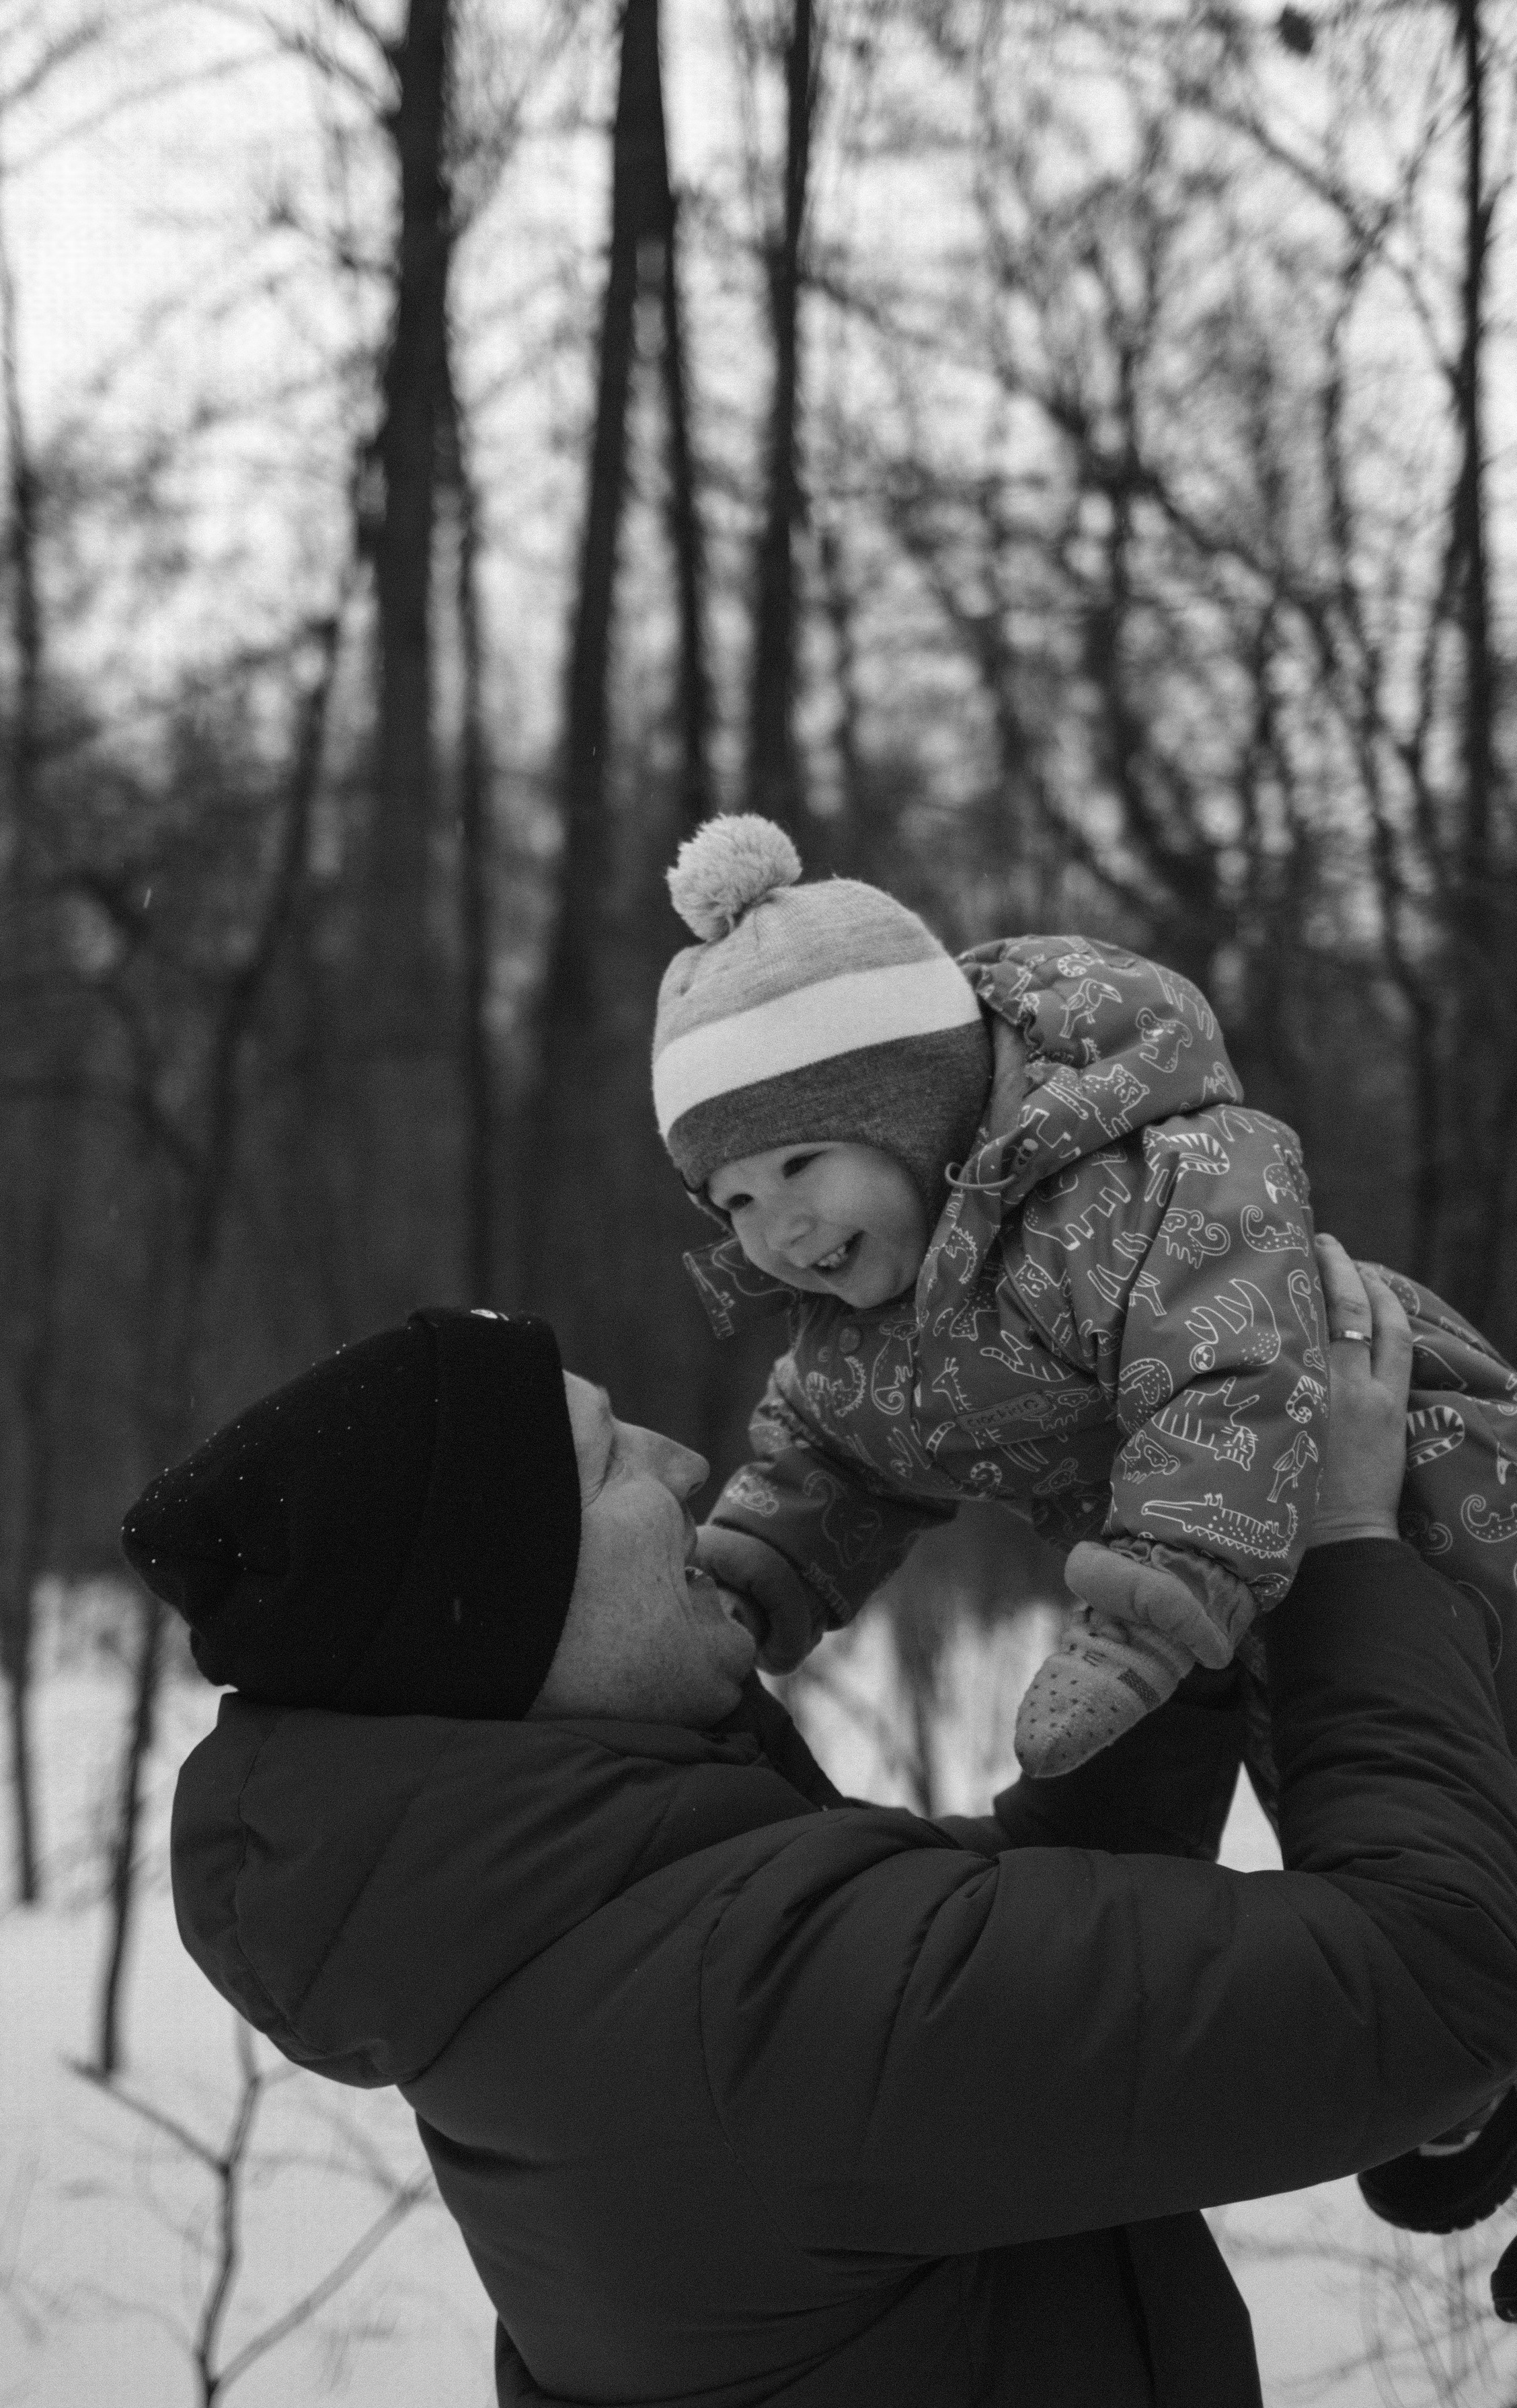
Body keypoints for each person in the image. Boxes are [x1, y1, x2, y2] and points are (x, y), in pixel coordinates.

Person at [132, 1248, 1517, 2405]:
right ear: (509, 1617)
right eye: (609, 1461)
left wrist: (1177, 1616)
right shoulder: (735, 2018)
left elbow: (1045, 1954)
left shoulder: (576, 1952)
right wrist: (1341, 1539)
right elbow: (1443, 1974)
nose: (682, 1465)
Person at [653, 815, 1517, 1793]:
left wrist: (1147, 1607)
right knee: (1402, 1826)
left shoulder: (1128, 1181)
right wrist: (740, 1584)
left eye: (800, 1162)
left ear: (913, 1110)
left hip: (1439, 1479)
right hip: (1277, 1604)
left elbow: (1227, 1369)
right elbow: (827, 1457)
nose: (778, 1229)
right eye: (734, 1202)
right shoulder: (864, 1322)